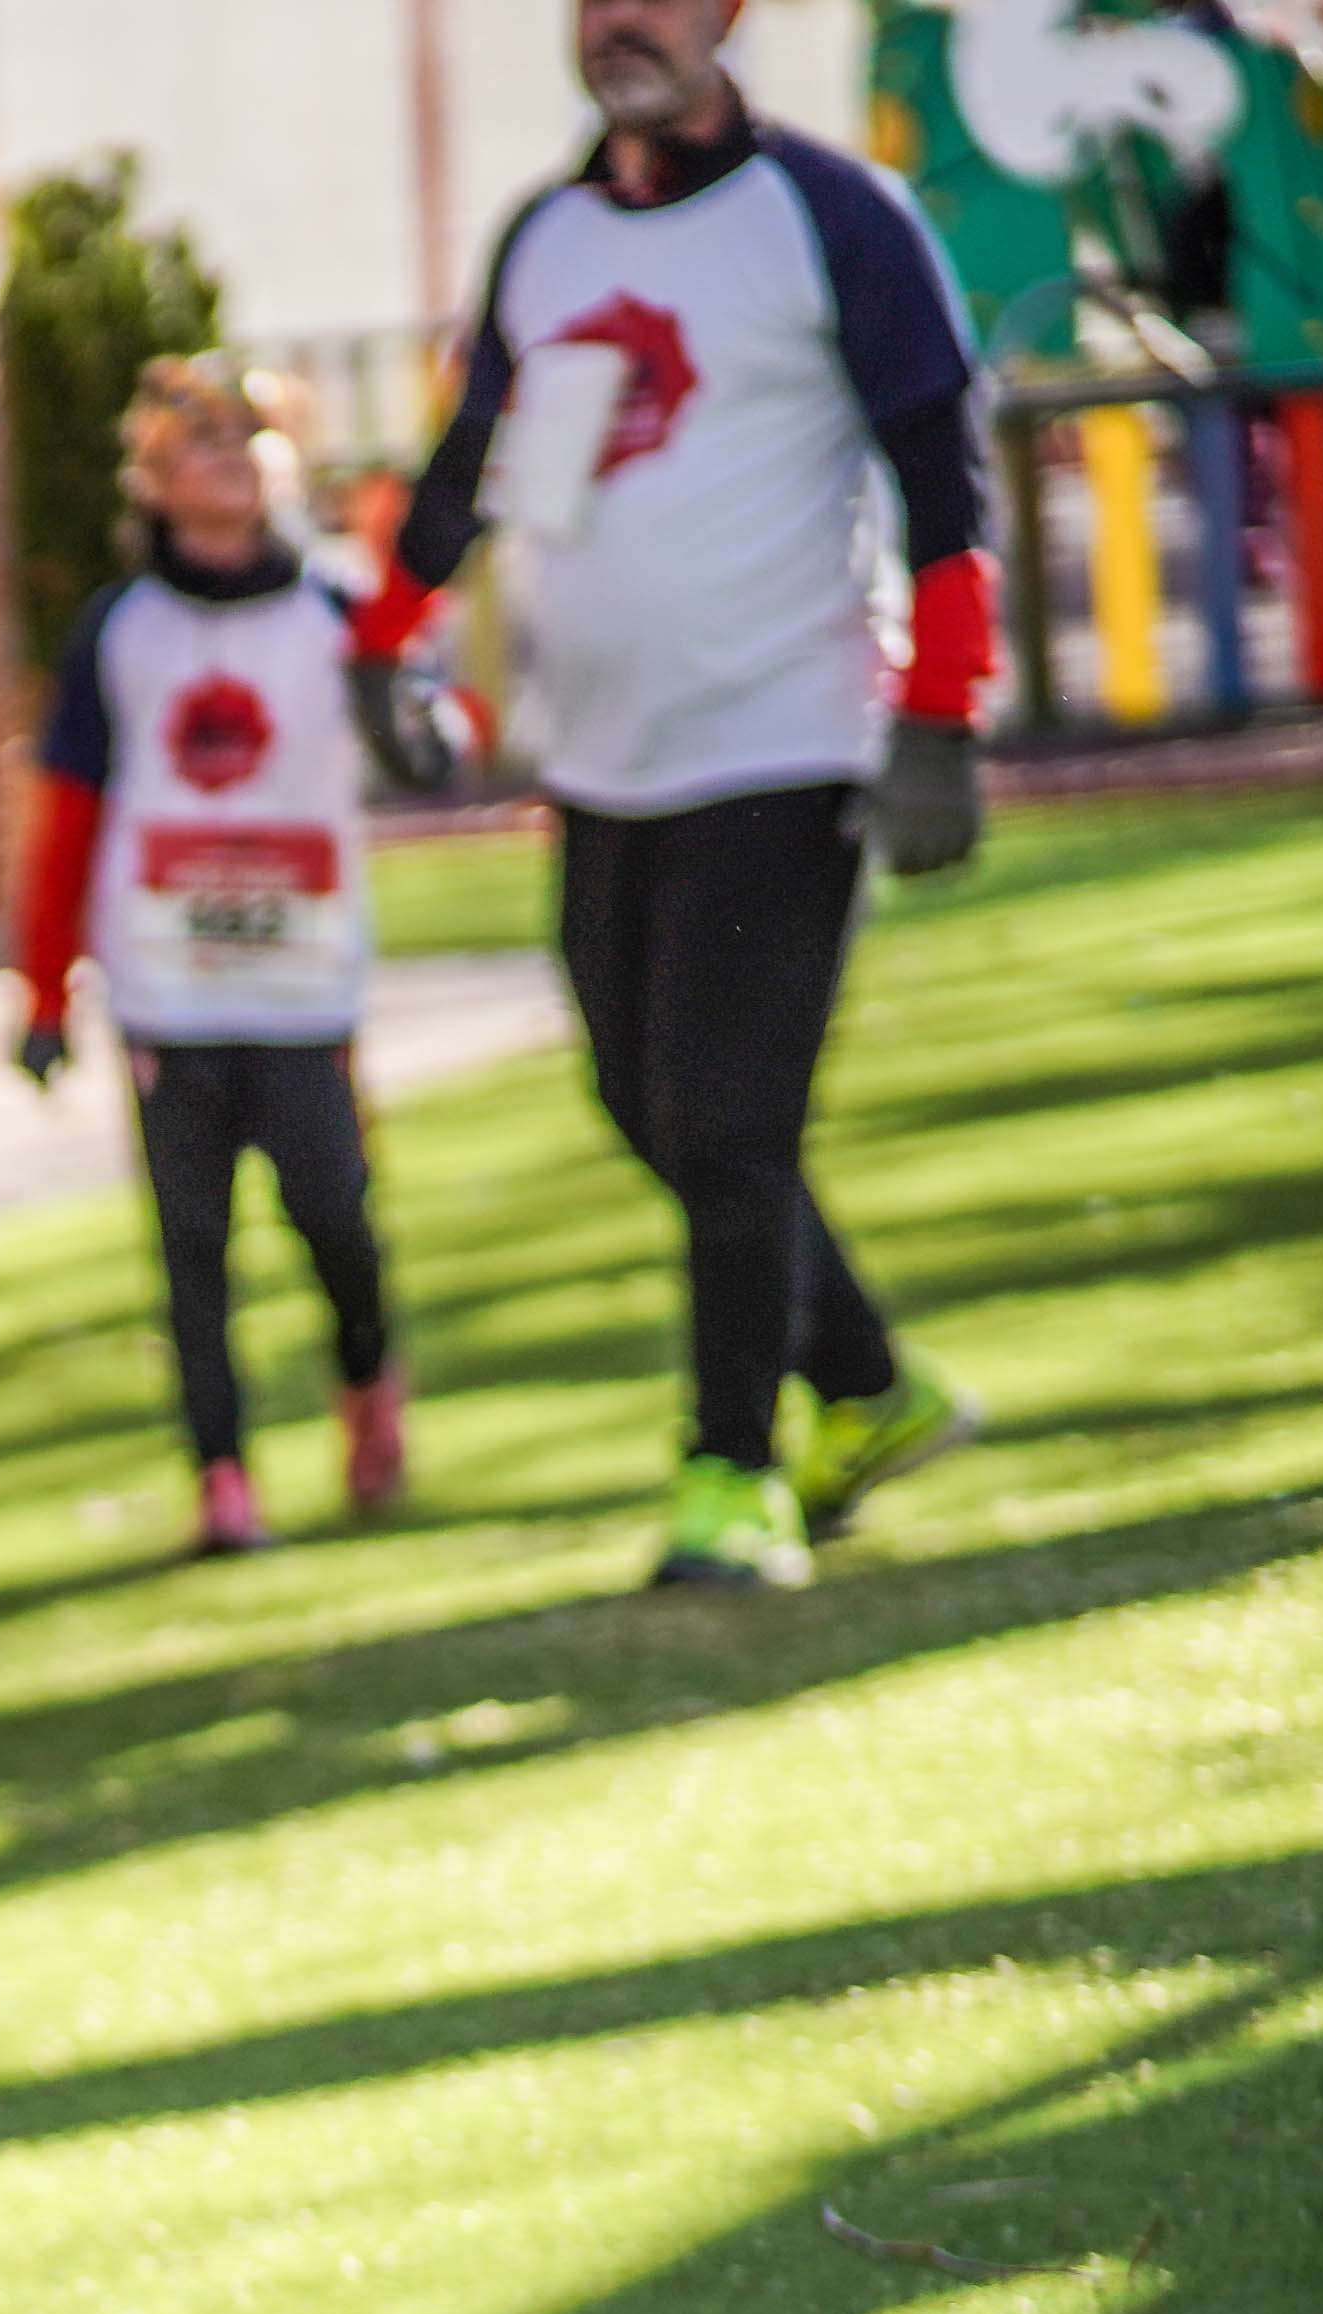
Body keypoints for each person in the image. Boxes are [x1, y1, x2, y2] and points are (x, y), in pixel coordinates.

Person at [359, 0, 994, 1592]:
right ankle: (865, 1384)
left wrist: (940, 718)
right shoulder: (548, 236)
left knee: (727, 1119)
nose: (619, 22)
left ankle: (733, 1476)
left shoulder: (831, 217)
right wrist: (388, 641)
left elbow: (945, 475)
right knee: (648, 1109)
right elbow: (477, 463)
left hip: (783, 743)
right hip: (601, 764)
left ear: (730, 17)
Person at [18, 357, 422, 1559]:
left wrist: (429, 722)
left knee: (336, 1221)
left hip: (304, 983)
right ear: (152, 476)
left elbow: (430, 728)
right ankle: (223, 1479)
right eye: (198, 440)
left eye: (253, 436)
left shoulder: (340, 613)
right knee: (191, 1244)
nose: (230, 459)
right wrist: (44, 989)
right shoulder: (120, 631)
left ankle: (368, 1385)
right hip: (166, 984)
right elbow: (67, 817)